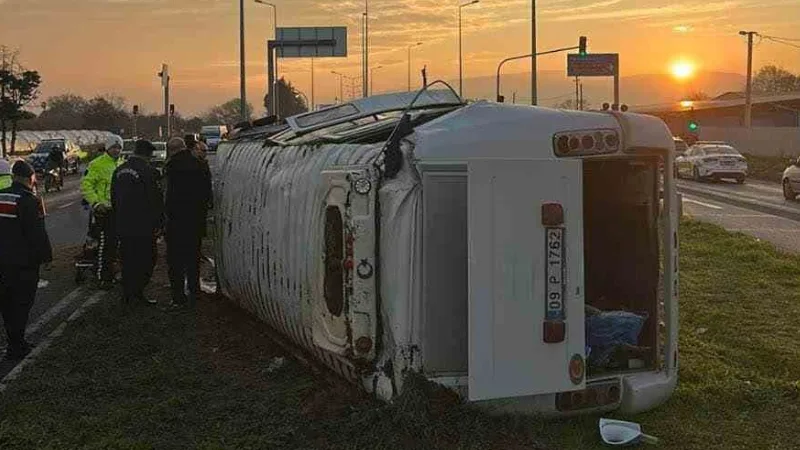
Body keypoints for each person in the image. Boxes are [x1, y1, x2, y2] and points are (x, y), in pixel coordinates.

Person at [0, 161, 52, 360]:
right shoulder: (30, 200)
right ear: (30, 178)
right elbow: (37, 234)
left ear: (13, 177)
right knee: (22, 303)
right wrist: (46, 257)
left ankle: (14, 340)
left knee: (6, 302)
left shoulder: (2, 195)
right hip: (23, 262)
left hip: (2, 261)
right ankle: (16, 345)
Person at [111, 140, 164, 306]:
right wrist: (159, 223)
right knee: (147, 259)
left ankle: (127, 295)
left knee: (127, 260)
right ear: (148, 155)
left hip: (123, 224)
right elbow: (155, 200)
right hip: (143, 226)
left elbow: (113, 197)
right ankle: (137, 292)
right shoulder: (149, 172)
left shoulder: (119, 171)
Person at [164, 137, 211, 309]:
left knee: (175, 260)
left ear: (171, 150)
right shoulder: (200, 165)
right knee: (193, 257)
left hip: (176, 221)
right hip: (196, 220)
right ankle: (195, 291)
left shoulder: (170, 167)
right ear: (185, 148)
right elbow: (207, 194)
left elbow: (167, 195)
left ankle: (178, 296)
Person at [81, 135, 123, 287]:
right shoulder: (96, 164)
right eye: (113, 147)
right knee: (105, 245)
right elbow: (86, 186)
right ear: (107, 148)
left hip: (118, 211)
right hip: (103, 212)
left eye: (119, 148)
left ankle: (112, 274)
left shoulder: (122, 164)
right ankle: (103, 277)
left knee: (117, 245)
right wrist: (96, 203)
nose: (116, 150)